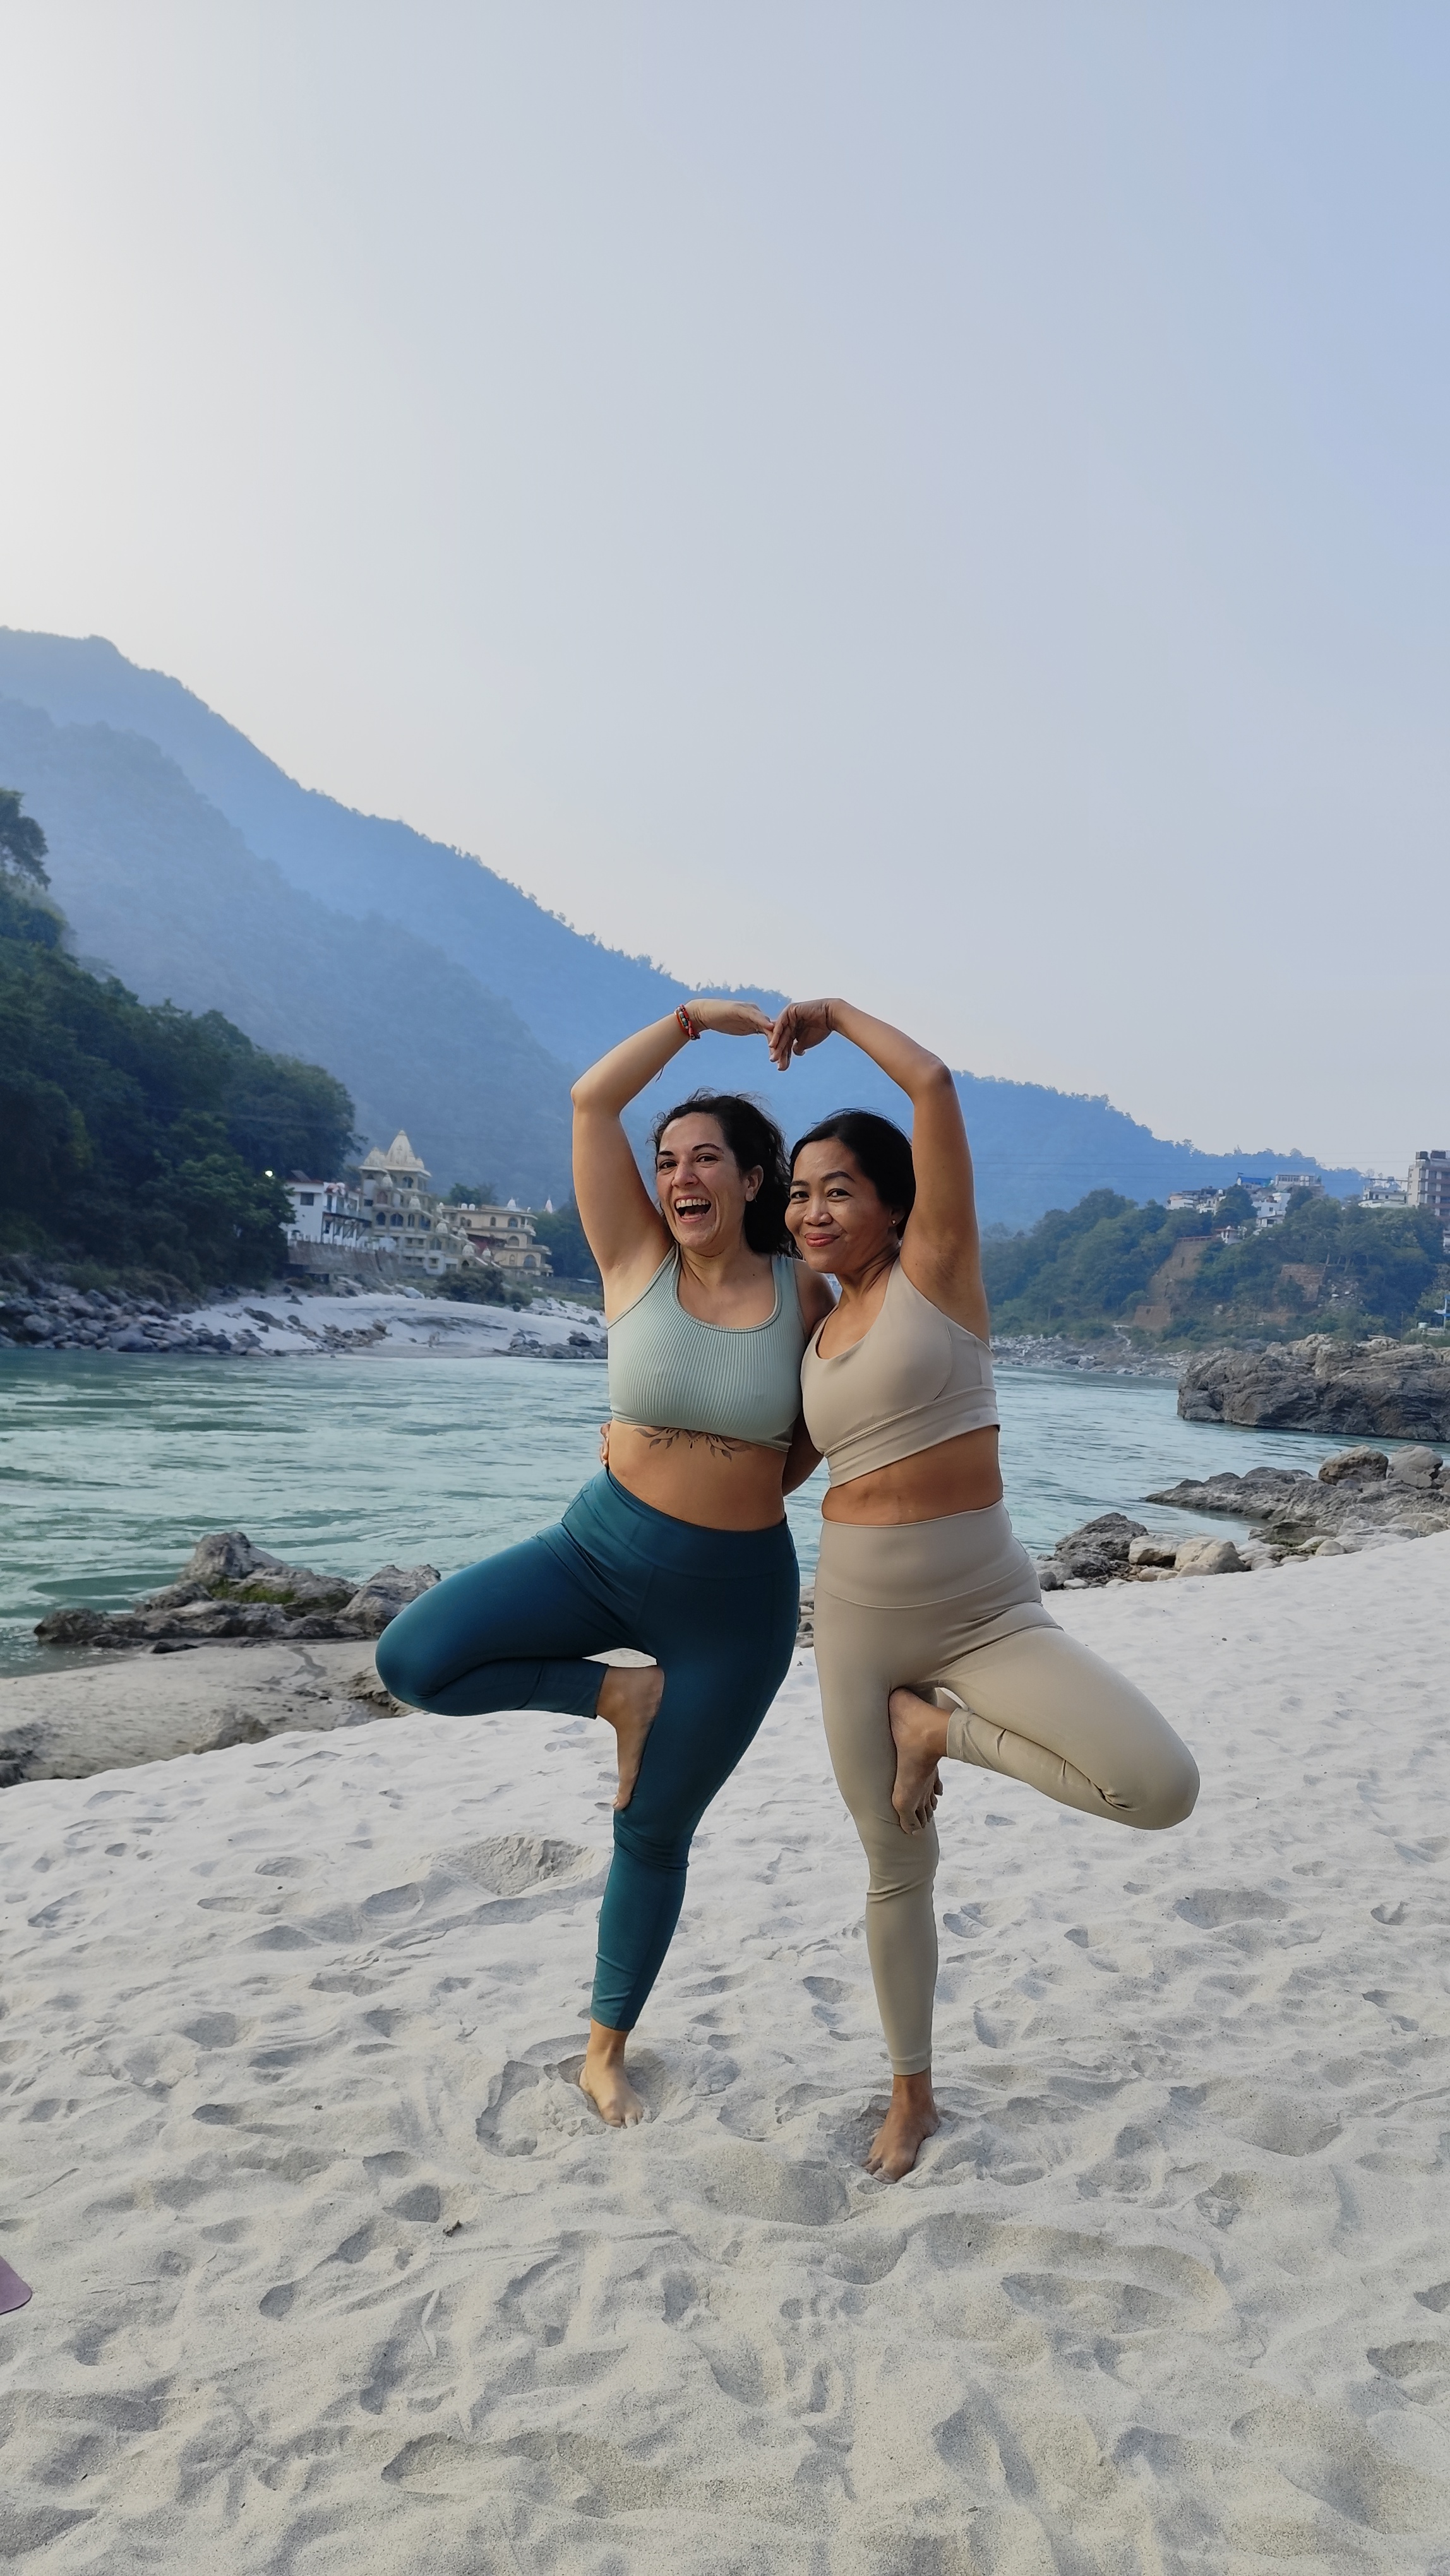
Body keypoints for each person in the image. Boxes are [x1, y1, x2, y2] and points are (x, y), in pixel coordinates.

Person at [377, 1000, 833, 2127]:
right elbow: (593, 1100)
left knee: (653, 1833)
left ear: (755, 1178)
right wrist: (688, 1022)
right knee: (416, 1658)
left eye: (706, 1160)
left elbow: (807, 1451)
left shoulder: (807, 1293)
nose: (680, 1177)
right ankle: (615, 1694)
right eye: (667, 1160)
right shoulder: (631, 1254)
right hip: (596, 1547)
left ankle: (604, 2048)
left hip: (735, 1604)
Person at [774, 996, 1199, 2180]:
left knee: (1158, 1786)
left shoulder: (939, 1275)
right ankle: (911, 2095)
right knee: (893, 1866)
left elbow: (936, 1088)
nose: (813, 1210)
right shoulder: (811, 1324)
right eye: (800, 1192)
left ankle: (942, 1730)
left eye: (839, 1188)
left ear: (897, 1204)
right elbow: (774, 1460)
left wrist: (836, 1018)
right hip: (857, 1620)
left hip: (989, 1609)